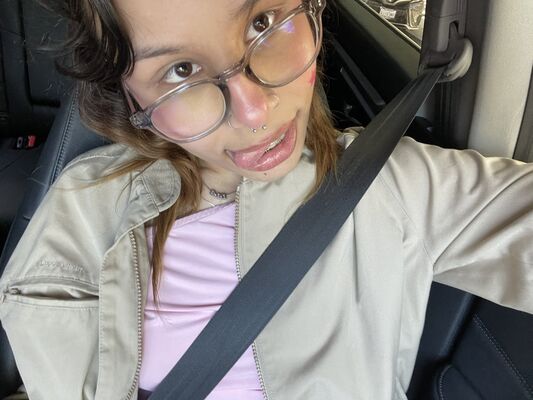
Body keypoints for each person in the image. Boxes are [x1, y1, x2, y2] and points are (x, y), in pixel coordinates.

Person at [0, 0, 532, 399]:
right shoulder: (85, 204)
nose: (254, 111)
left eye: (263, 23)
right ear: (126, 93)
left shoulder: (397, 186)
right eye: (181, 71)